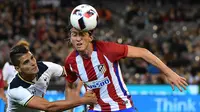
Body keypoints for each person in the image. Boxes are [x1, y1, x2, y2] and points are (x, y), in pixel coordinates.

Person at [64, 4, 188, 112]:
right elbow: (69, 87)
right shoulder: (70, 62)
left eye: (82, 34)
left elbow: (143, 52)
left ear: (90, 37)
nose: (78, 39)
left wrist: (169, 73)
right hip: (95, 109)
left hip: (122, 108)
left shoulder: (108, 49)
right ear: (70, 38)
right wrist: (70, 108)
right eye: (74, 35)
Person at [6, 45, 97, 112]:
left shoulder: (45, 67)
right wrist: (83, 100)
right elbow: (49, 107)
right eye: (26, 62)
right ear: (18, 68)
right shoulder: (15, 89)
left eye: (32, 58)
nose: (33, 63)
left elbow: (70, 72)